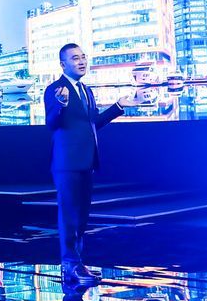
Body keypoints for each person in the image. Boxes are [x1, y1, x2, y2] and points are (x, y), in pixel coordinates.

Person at [44, 43, 140, 286]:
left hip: (86, 161)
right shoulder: (55, 89)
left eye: (83, 57)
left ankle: (77, 265)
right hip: (67, 163)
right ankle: (70, 266)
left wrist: (119, 106)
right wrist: (60, 105)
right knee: (69, 216)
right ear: (63, 64)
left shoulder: (86, 90)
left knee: (81, 217)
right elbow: (52, 123)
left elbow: (93, 123)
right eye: (75, 58)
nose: (81, 61)